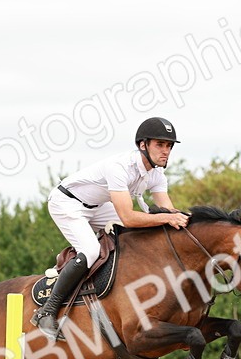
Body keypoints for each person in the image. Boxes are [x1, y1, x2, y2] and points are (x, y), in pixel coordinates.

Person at [32, 116, 189, 340]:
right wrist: (167, 219)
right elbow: (128, 217)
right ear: (142, 145)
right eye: (160, 145)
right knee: (91, 250)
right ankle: (47, 312)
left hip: (97, 205)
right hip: (67, 202)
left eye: (169, 146)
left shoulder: (157, 174)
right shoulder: (120, 167)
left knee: (131, 238)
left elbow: (169, 212)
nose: (166, 151)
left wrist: (186, 220)